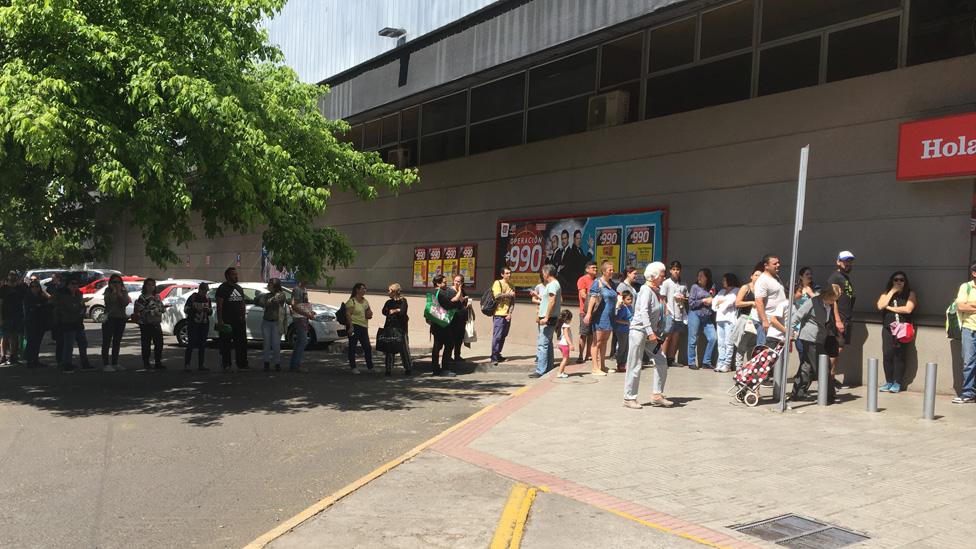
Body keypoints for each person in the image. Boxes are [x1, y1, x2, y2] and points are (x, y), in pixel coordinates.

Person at [623, 261, 669, 409]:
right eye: (662, 275)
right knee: (635, 364)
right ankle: (629, 398)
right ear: (654, 276)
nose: (663, 278)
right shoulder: (645, 290)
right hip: (639, 331)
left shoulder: (655, 291)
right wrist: (650, 332)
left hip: (650, 333)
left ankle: (657, 395)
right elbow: (643, 312)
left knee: (661, 360)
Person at [791, 284, 841, 401]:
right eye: (833, 298)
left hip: (819, 339)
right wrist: (790, 332)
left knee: (807, 365)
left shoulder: (828, 305)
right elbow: (796, 317)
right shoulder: (812, 302)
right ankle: (828, 395)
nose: (834, 301)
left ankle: (797, 393)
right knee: (823, 365)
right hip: (810, 338)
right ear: (827, 295)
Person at [875, 272, 917, 393]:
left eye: (901, 280)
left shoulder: (910, 293)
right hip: (888, 328)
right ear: (892, 281)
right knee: (887, 354)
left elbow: (908, 309)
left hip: (902, 328)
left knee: (899, 355)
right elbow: (880, 305)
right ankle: (888, 381)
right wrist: (892, 292)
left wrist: (889, 308)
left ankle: (897, 382)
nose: (899, 282)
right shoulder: (886, 293)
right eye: (896, 280)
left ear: (905, 281)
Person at [826, 251, 856, 388]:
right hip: (839, 319)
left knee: (839, 349)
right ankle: (828, 379)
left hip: (846, 318)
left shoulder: (845, 277)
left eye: (850, 261)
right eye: (845, 261)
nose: (848, 263)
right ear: (838, 262)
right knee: (835, 349)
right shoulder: (835, 278)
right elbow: (832, 300)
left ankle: (830, 379)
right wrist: (837, 320)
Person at [584, 261, 617, 376]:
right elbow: (592, 299)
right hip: (600, 317)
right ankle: (595, 367)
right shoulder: (597, 283)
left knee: (604, 342)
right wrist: (588, 314)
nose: (612, 272)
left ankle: (602, 365)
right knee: (596, 342)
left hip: (610, 317)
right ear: (603, 271)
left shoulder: (612, 284)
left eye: (613, 270)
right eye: (610, 270)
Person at [430, 275, 465, 377]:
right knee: (449, 344)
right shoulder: (441, 293)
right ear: (438, 284)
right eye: (444, 282)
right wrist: (459, 293)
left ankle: (435, 369)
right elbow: (451, 304)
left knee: (437, 346)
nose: (446, 284)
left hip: (435, 322)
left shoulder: (432, 292)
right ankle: (444, 369)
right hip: (443, 323)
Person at [53, 277, 91, 371]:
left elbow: (81, 308)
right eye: (72, 284)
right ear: (68, 285)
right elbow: (71, 308)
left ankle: (84, 362)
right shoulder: (64, 295)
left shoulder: (79, 294)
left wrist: (81, 306)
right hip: (68, 323)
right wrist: (80, 304)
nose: (75, 286)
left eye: (76, 284)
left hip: (78, 322)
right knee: (68, 345)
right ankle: (67, 364)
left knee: (83, 343)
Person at [530, 264, 561, 378]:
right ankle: (548, 366)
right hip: (548, 316)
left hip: (548, 318)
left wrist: (546, 317)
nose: (543, 275)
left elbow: (552, 301)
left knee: (543, 344)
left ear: (547, 273)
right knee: (547, 342)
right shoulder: (553, 284)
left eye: (543, 272)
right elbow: (547, 300)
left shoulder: (552, 285)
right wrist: (537, 295)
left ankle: (541, 370)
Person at [216, 267, 249, 370]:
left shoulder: (239, 288)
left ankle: (242, 364)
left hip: (239, 321)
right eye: (234, 274)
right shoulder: (222, 288)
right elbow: (219, 305)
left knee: (241, 343)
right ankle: (227, 364)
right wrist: (220, 320)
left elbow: (242, 304)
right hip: (227, 321)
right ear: (228, 276)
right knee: (226, 344)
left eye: (237, 274)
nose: (236, 276)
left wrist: (243, 317)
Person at [952, 262, 976, 404]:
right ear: (974, 273)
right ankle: (967, 393)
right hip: (969, 329)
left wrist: (971, 305)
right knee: (969, 363)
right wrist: (966, 306)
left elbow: (966, 306)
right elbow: (960, 306)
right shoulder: (965, 287)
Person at [686, 268, 717, 370]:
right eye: (698, 275)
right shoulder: (694, 287)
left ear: (707, 277)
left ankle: (706, 362)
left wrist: (711, 301)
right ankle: (691, 362)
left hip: (707, 316)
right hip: (695, 314)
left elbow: (714, 298)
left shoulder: (712, 287)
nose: (699, 277)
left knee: (713, 338)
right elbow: (691, 303)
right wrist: (703, 300)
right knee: (693, 338)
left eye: (702, 276)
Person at [732, 267, 762, 370]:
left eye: (760, 275)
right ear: (751, 276)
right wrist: (751, 303)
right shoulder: (746, 288)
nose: (758, 277)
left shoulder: (761, 289)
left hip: (756, 320)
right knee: (742, 345)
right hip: (745, 319)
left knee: (752, 346)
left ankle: (750, 369)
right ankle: (739, 368)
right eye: (756, 275)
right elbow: (737, 303)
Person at [753, 254, 785, 347]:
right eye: (775, 263)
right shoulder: (762, 280)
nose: (778, 265)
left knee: (773, 352)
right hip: (767, 322)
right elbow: (759, 301)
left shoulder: (776, 278)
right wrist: (764, 321)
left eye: (778, 263)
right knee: (764, 351)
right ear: (766, 266)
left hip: (776, 321)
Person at [101, 274, 130, 371]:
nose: (117, 284)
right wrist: (114, 292)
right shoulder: (107, 291)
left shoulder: (124, 291)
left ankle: (115, 362)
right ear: (110, 283)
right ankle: (106, 364)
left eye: (119, 282)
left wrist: (119, 293)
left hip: (120, 318)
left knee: (117, 341)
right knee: (107, 341)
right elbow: (109, 303)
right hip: (109, 318)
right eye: (114, 282)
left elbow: (125, 303)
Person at [660, 261, 687, 366]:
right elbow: (662, 298)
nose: (676, 271)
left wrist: (683, 298)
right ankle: (661, 359)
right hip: (669, 313)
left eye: (678, 269)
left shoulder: (683, 284)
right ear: (670, 270)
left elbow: (686, 298)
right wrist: (665, 310)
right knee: (667, 336)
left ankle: (671, 359)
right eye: (674, 269)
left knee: (676, 337)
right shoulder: (666, 283)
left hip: (680, 314)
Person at [134, 278, 165, 370]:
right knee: (146, 344)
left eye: (153, 285)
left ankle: (158, 362)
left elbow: (161, 307)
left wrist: (160, 310)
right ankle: (146, 363)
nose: (151, 287)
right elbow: (140, 310)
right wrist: (153, 311)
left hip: (156, 322)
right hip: (145, 323)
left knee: (159, 343)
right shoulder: (142, 297)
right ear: (145, 286)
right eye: (149, 285)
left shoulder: (157, 297)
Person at [382, 283, 412, 376]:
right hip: (390, 328)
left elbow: (403, 312)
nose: (388, 292)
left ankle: (408, 368)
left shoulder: (403, 301)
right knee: (389, 349)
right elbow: (384, 311)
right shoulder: (388, 302)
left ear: (394, 292)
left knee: (404, 349)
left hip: (401, 328)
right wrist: (395, 310)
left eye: (390, 290)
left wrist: (395, 310)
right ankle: (388, 369)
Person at [711, 273, 740, 373]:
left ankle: (727, 364)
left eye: (724, 280)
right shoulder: (722, 291)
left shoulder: (736, 290)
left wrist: (720, 302)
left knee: (728, 342)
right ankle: (720, 362)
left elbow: (730, 302)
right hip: (720, 319)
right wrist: (719, 303)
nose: (723, 282)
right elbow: (714, 302)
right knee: (721, 343)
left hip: (729, 320)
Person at [345, 282, 374, 374]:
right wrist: (350, 326)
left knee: (367, 347)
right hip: (354, 325)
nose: (364, 290)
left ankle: (370, 367)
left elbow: (369, 311)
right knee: (352, 347)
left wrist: (370, 314)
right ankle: (353, 367)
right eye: (362, 288)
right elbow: (348, 314)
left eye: (365, 288)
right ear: (357, 290)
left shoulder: (365, 301)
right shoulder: (352, 301)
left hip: (364, 326)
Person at [259, 278, 287, 372]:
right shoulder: (266, 295)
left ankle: (277, 363)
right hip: (266, 322)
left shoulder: (281, 295)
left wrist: (268, 302)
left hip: (276, 322)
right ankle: (266, 363)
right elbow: (262, 302)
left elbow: (275, 300)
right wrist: (266, 302)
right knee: (266, 344)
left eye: (270, 283)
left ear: (275, 285)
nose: (268, 285)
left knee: (276, 344)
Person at [490, 268, 516, 367]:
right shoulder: (498, 283)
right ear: (502, 274)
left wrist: (510, 313)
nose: (509, 275)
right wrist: (509, 294)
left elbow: (513, 301)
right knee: (497, 336)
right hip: (498, 314)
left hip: (507, 315)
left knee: (503, 336)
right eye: (507, 273)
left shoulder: (512, 285)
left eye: (510, 273)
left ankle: (498, 354)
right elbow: (497, 296)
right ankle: (494, 357)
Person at [184, 282, 212, 371]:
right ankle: (187, 364)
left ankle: (201, 364)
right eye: (204, 291)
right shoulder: (193, 298)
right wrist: (196, 309)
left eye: (206, 291)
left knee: (202, 345)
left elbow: (210, 312)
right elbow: (186, 309)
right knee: (191, 344)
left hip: (204, 324)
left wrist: (208, 310)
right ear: (200, 290)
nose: (205, 293)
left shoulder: (207, 299)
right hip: (193, 324)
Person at [0, 272, 27, 365]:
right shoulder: (3, 288)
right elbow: (0, 303)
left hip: (17, 316)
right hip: (6, 315)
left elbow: (24, 301)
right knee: (5, 336)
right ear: (8, 277)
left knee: (14, 336)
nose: (12, 276)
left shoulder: (20, 288)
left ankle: (13, 356)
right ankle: (3, 356)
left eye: (14, 275)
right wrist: (0, 318)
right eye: (10, 275)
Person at [289, 278, 315, 372]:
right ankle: (295, 365)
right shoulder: (297, 289)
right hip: (299, 318)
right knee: (303, 341)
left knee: (301, 341)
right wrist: (307, 314)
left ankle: (294, 364)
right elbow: (294, 305)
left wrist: (310, 312)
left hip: (303, 317)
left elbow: (304, 304)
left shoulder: (304, 289)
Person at [23, 279, 49, 368]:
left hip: (41, 322)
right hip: (31, 322)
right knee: (31, 342)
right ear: (30, 288)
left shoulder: (42, 296)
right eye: (33, 287)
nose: (35, 288)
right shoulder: (27, 297)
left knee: (37, 342)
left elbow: (48, 303)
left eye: (37, 286)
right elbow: (31, 308)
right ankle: (30, 361)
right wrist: (39, 306)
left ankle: (35, 360)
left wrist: (40, 305)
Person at [576, 261, 597, 364]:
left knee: (592, 334)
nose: (595, 270)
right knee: (584, 334)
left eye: (596, 268)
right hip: (584, 312)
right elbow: (583, 295)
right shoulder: (582, 280)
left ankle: (588, 354)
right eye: (593, 268)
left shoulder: (597, 281)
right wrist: (594, 297)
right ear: (587, 269)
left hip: (595, 312)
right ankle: (580, 355)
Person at [449, 274, 469, 362]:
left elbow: (462, 301)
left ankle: (457, 355)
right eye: (455, 281)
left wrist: (466, 300)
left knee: (459, 338)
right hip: (453, 318)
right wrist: (461, 294)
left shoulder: (462, 291)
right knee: (451, 338)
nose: (457, 283)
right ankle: (448, 356)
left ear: (462, 282)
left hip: (461, 317)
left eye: (459, 281)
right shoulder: (450, 290)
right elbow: (456, 300)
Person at [613, 290, 634, 372]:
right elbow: (617, 319)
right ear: (624, 299)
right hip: (621, 330)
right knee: (622, 347)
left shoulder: (630, 307)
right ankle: (619, 363)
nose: (630, 301)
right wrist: (627, 323)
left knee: (627, 347)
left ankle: (624, 363)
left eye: (631, 299)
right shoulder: (623, 308)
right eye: (628, 299)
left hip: (628, 330)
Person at [555, 309, 574, 379]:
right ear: (568, 319)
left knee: (566, 359)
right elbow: (566, 336)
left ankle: (562, 372)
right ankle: (559, 373)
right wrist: (571, 344)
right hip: (564, 345)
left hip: (561, 344)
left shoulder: (561, 325)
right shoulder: (566, 326)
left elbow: (561, 335)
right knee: (565, 359)